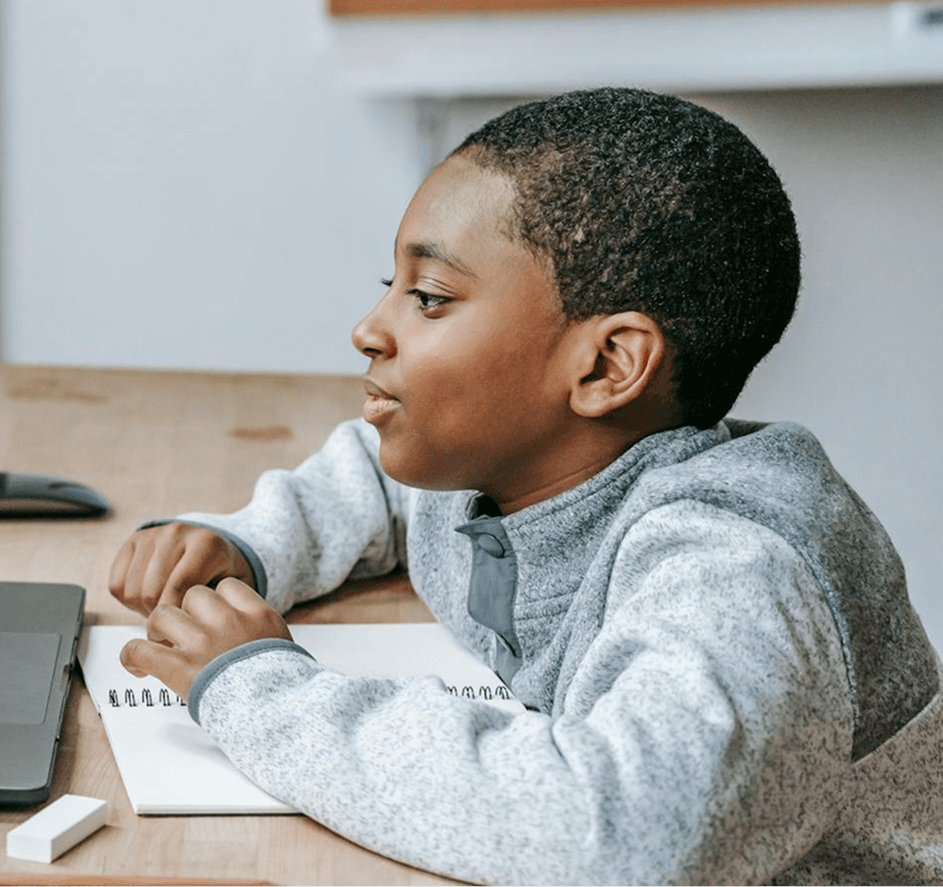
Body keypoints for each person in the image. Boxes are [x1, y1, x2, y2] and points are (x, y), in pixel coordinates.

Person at [110, 87, 943, 885]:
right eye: (388, 289)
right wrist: (256, 542)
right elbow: (381, 476)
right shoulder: (499, 467)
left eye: (429, 298)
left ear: (606, 365)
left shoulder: (738, 571)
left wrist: (262, 691)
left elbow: (623, 837)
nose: (368, 330)